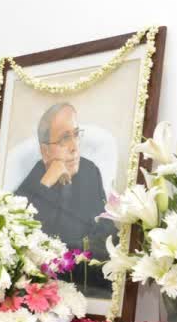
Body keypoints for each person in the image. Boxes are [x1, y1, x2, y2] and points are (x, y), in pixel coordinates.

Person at [14, 102, 116, 297]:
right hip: (47, 287)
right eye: (64, 139)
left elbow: (104, 227)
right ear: (45, 151)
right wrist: (46, 183)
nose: (74, 147)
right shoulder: (36, 179)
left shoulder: (90, 171)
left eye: (76, 134)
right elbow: (18, 228)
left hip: (89, 282)